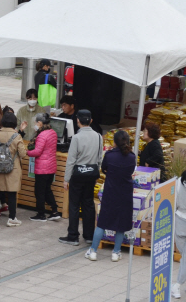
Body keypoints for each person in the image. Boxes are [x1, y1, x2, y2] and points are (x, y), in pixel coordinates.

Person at [85, 130, 135, 262]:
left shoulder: (109, 155)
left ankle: (93, 251)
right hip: (125, 193)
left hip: (110, 192)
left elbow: (104, 169)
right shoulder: (132, 157)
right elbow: (131, 171)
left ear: (115, 142)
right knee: (121, 223)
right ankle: (116, 252)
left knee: (102, 222)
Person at [59, 109, 103, 246]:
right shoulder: (99, 137)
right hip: (91, 174)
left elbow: (71, 160)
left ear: (77, 121)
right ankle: (89, 235)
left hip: (77, 175)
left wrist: (66, 179)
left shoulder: (77, 138)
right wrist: (97, 173)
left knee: (74, 204)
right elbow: (99, 158)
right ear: (91, 121)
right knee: (88, 204)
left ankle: (73, 235)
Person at [0, 113, 27, 227]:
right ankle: (12, 218)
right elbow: (22, 154)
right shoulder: (17, 136)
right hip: (13, 169)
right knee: (11, 193)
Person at [27, 113, 61, 222]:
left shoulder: (42, 135)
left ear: (40, 123)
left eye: (36, 122)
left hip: (42, 168)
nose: (35, 124)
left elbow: (37, 151)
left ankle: (41, 214)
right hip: (51, 167)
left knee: (39, 192)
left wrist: (27, 152)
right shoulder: (53, 133)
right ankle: (54, 211)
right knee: (47, 190)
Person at [172, 169, 186, 299]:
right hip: (180, 224)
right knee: (185, 256)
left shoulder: (177, 183)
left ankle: (177, 284)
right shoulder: (177, 183)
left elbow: (174, 203)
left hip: (180, 220)